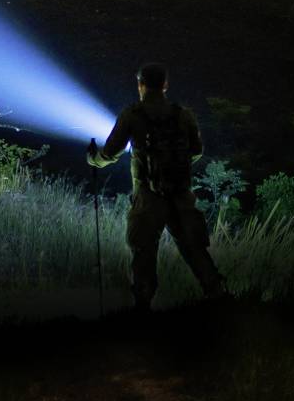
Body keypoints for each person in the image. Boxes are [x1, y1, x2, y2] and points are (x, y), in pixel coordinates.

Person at [88, 62, 226, 311]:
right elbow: (197, 151)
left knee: (143, 251)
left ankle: (143, 305)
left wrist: (93, 160)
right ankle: (218, 296)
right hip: (182, 195)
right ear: (165, 85)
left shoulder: (132, 115)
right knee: (194, 248)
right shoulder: (183, 114)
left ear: (140, 85)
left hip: (148, 198)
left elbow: (109, 153)